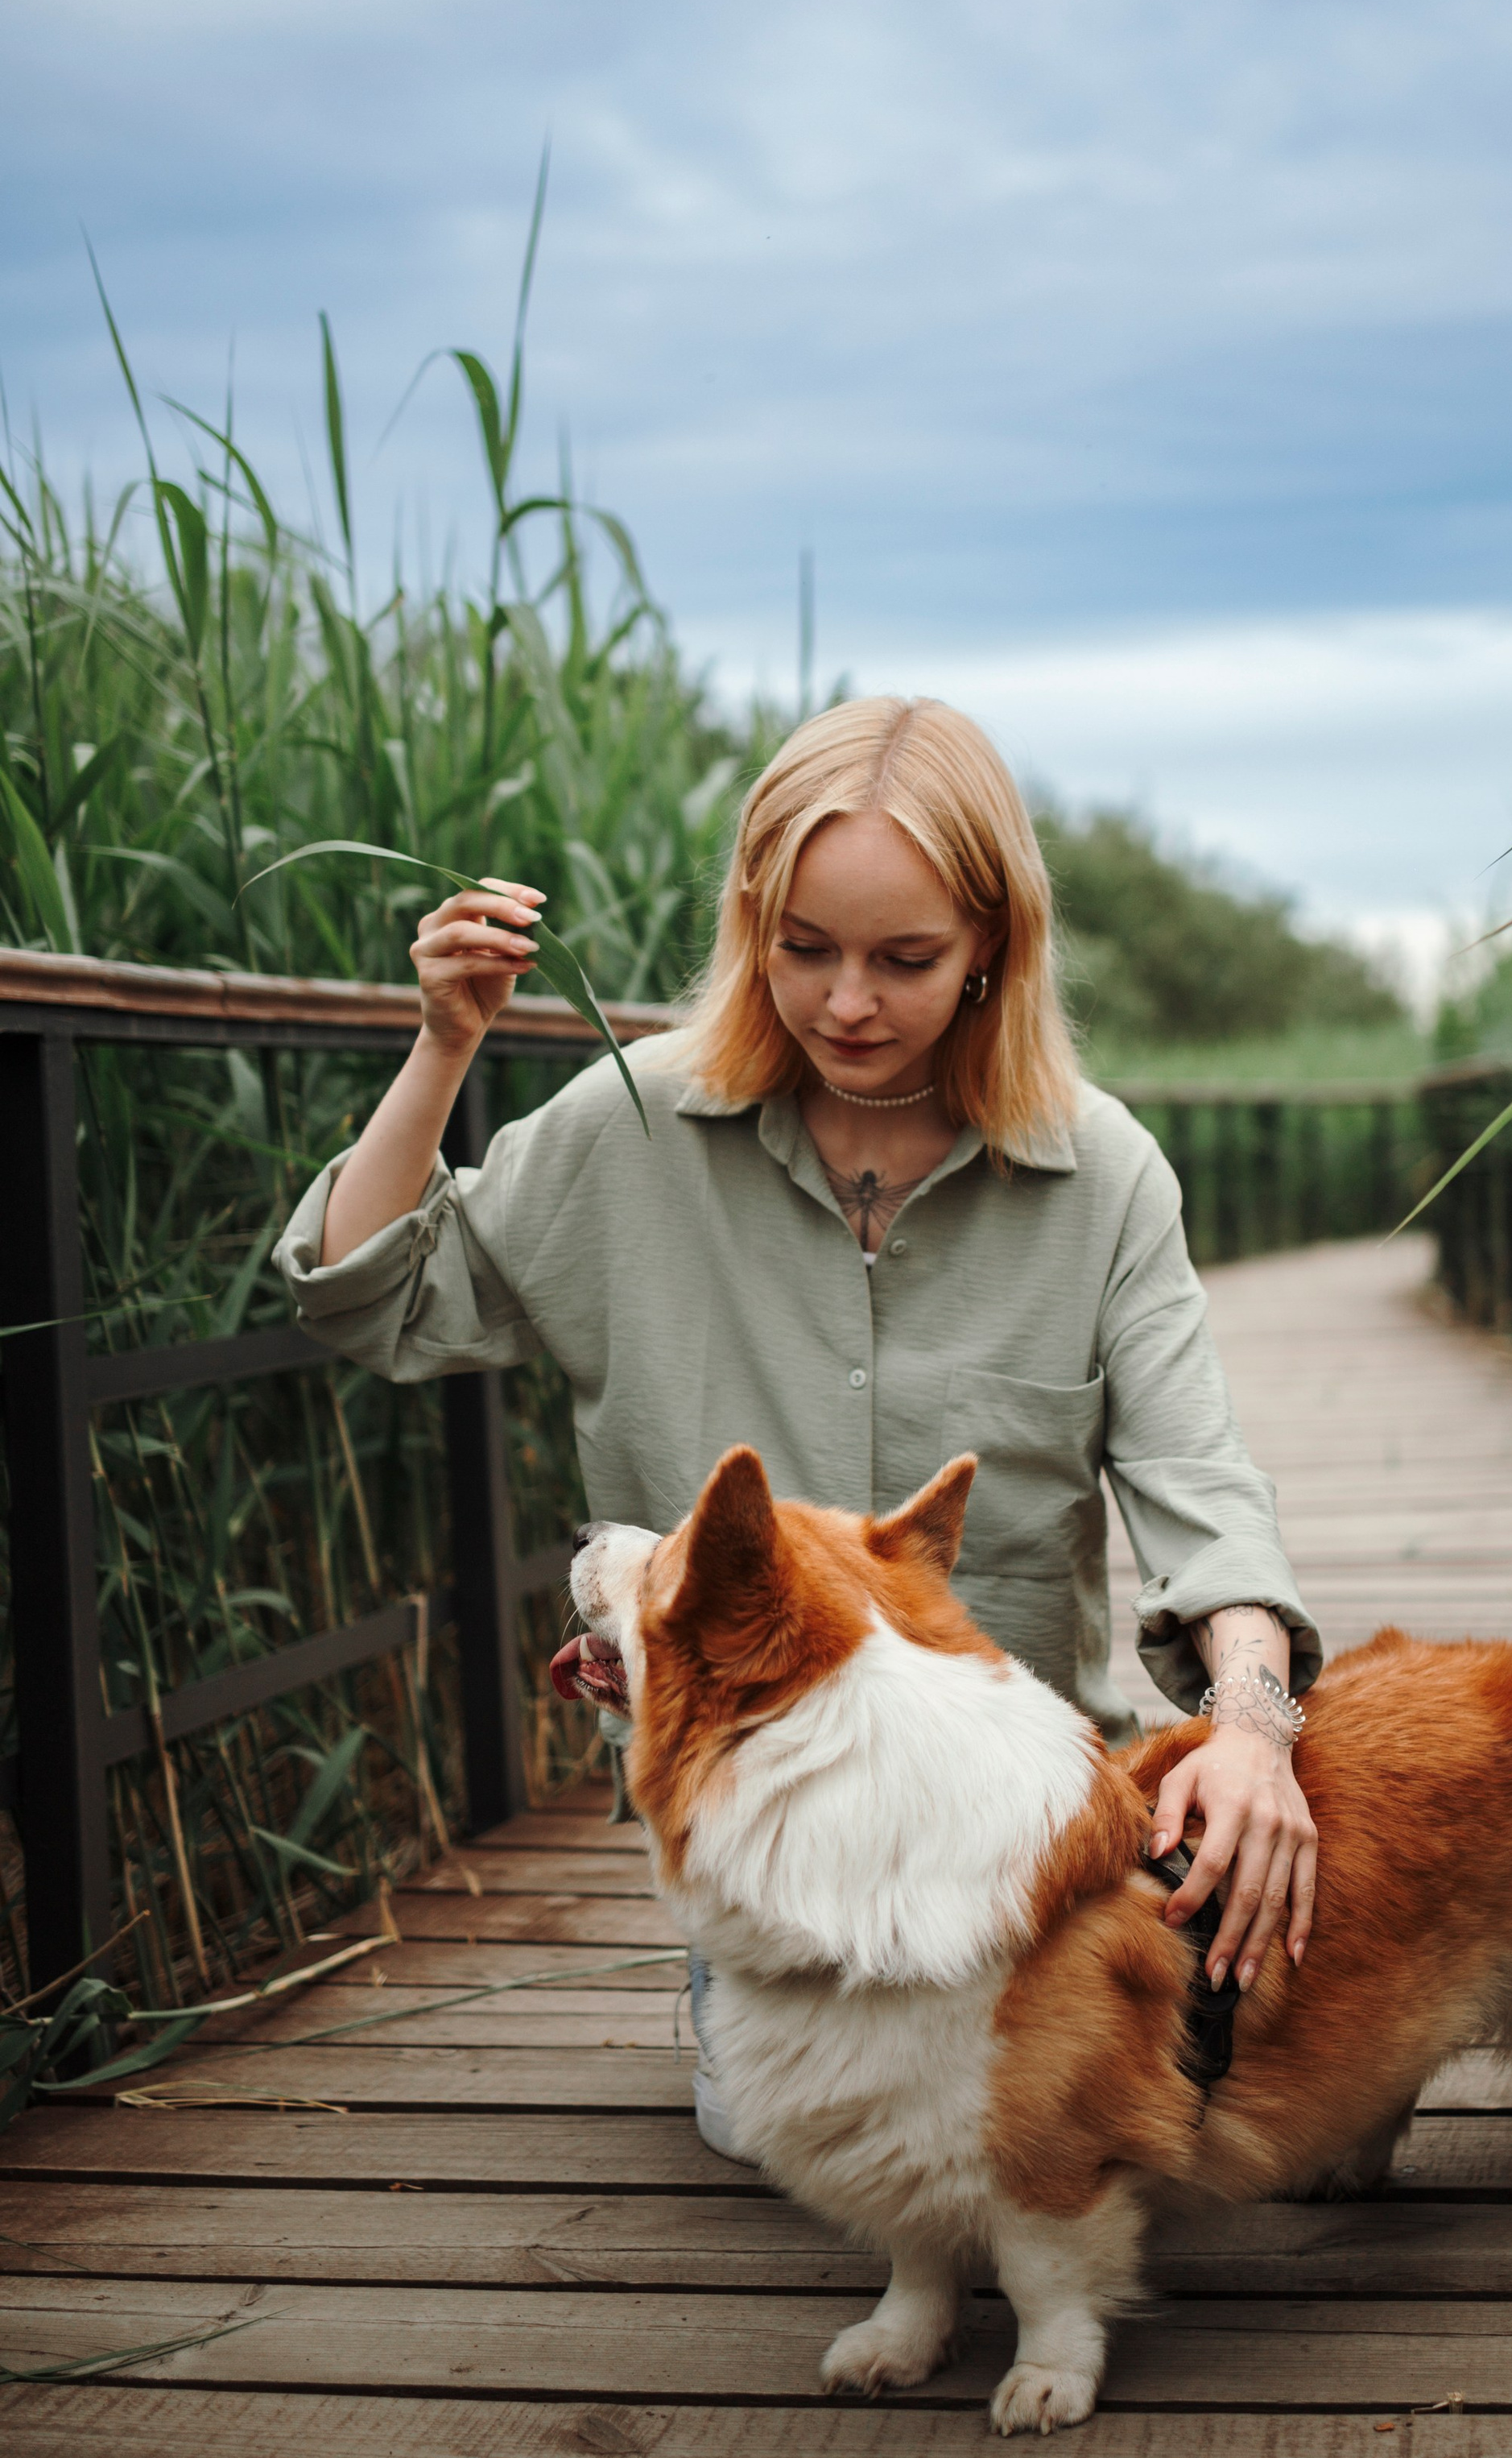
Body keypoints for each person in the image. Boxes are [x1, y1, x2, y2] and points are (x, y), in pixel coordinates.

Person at [276, 695, 1320, 2154]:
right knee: (791, 2141)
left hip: (1027, 1832)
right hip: (767, 1835)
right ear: (751, 925)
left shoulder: (1105, 1174)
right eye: (804, 950)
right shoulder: (626, 1126)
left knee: (1126, 2118)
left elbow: (1200, 1484)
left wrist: (1257, 1728)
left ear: (991, 952)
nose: (845, 1004)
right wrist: (444, 1046)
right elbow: (367, 1302)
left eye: (906, 960)